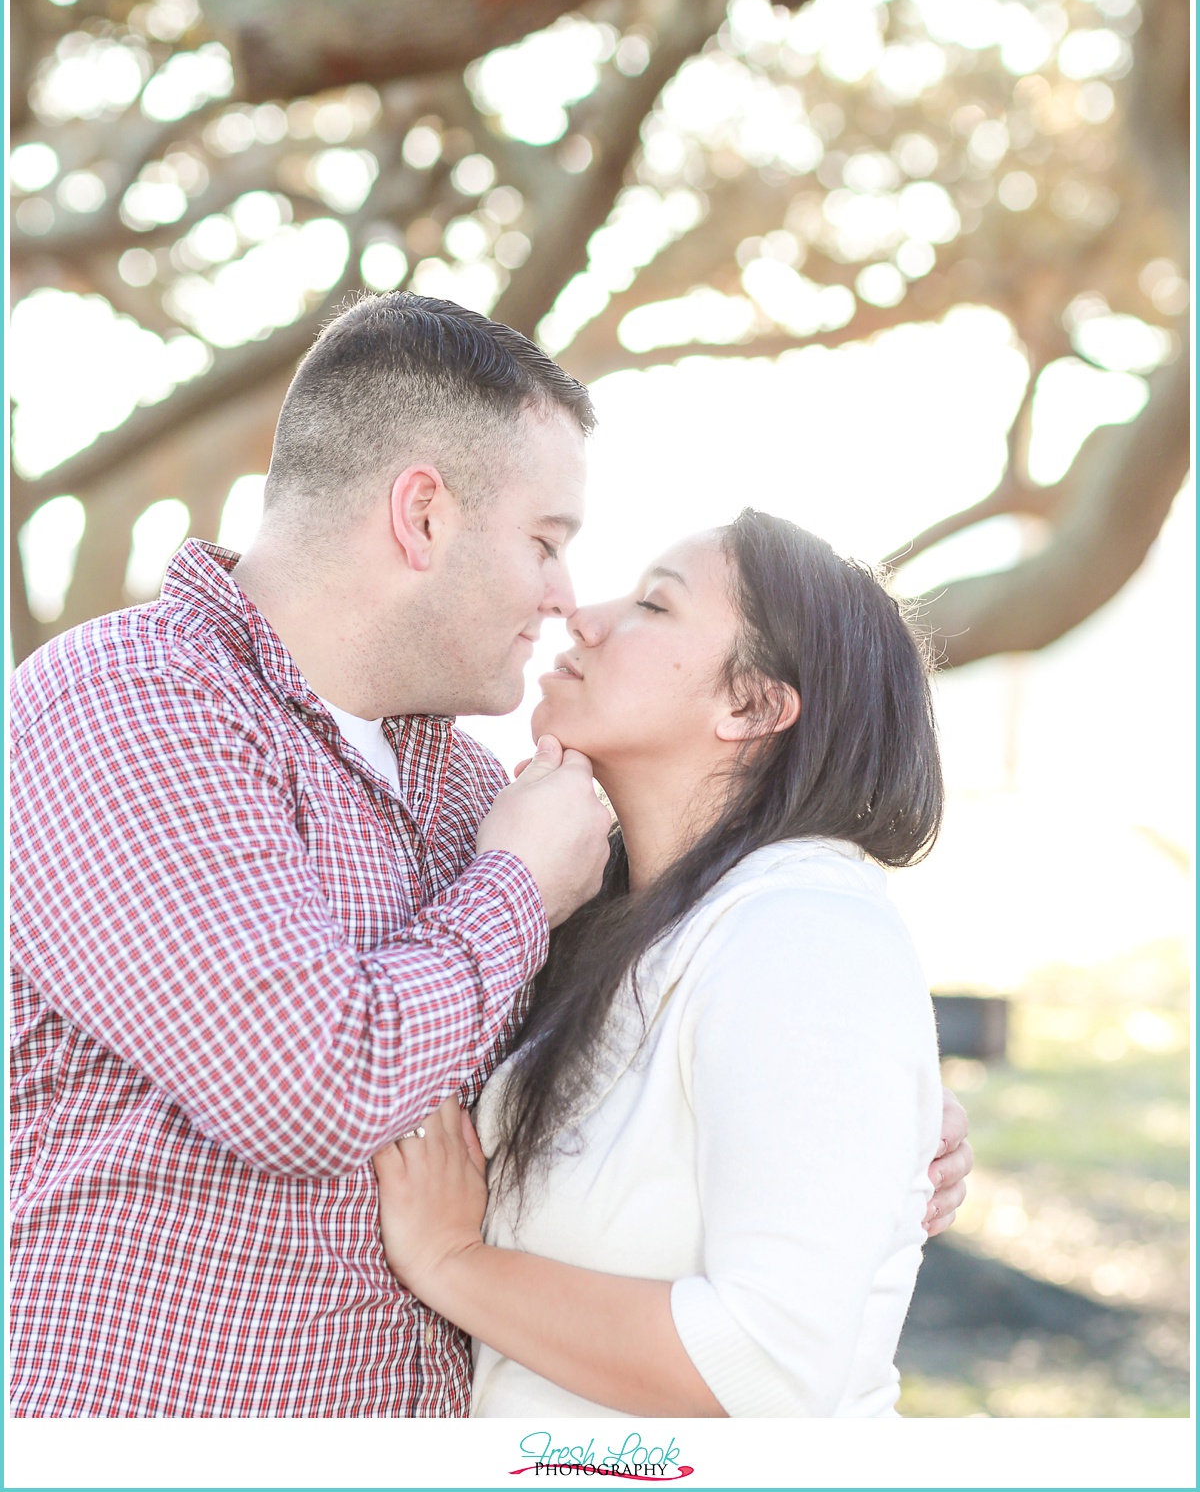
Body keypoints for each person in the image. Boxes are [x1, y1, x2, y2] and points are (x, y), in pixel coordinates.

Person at [10, 295, 970, 1419]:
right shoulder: (133, 707)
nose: (568, 597)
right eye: (547, 543)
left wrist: (867, 1125)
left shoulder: (474, 790)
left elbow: (659, 1049)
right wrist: (515, 885)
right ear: (423, 517)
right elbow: (309, 1086)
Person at [372, 511, 955, 1417]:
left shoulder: (804, 933)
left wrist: (454, 1262)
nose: (584, 615)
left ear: (752, 705)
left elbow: (768, 1365)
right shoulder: (621, 925)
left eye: (654, 603)